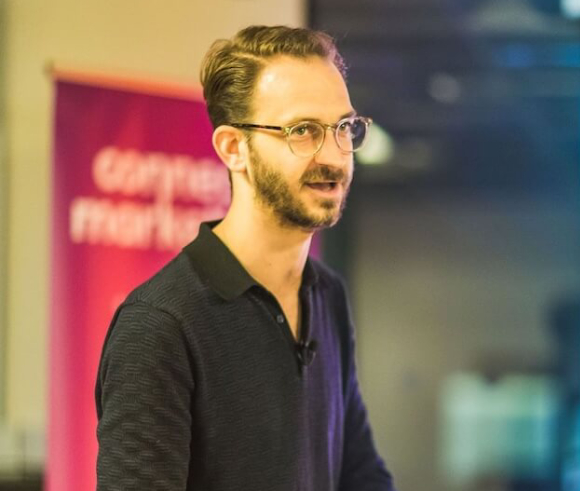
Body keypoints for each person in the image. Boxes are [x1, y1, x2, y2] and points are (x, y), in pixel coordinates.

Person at [95, 25, 396, 491]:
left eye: (343, 128)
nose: (334, 156)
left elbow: (359, 474)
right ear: (234, 148)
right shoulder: (159, 326)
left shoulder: (327, 295)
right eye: (303, 131)